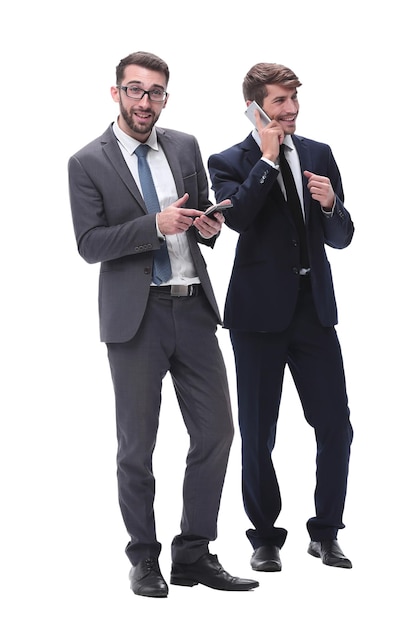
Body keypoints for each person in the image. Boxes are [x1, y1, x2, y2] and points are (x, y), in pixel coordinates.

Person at [68, 51, 258, 597]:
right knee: (137, 446)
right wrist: (153, 224)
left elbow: (198, 219)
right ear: (116, 94)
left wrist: (208, 226)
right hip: (136, 319)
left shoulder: (184, 145)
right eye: (135, 90)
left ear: (165, 98)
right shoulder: (87, 162)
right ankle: (144, 559)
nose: (145, 102)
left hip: (193, 307)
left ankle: (194, 553)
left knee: (218, 431)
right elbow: (88, 245)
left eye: (155, 93)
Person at [208, 62, 354, 572]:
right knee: (258, 430)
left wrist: (332, 204)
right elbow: (238, 220)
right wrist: (267, 163)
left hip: (313, 311)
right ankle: (265, 536)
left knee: (336, 424)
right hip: (256, 317)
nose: (290, 109)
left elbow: (343, 236)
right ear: (254, 107)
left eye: (294, 99)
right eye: (279, 102)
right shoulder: (227, 160)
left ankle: (327, 532)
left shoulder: (318, 153)